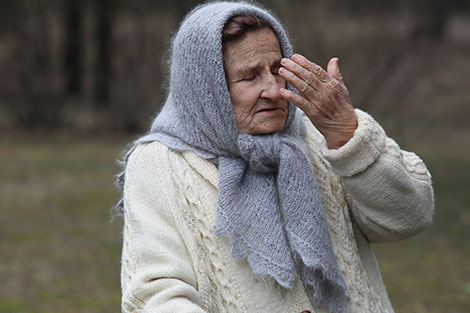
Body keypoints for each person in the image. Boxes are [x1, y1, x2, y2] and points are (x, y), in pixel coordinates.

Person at [116, 2, 434, 313]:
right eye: (250, 77)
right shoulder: (159, 162)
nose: (273, 89)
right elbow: (156, 295)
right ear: (207, 89)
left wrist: (348, 136)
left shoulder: (321, 128)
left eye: (277, 69)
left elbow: (410, 216)